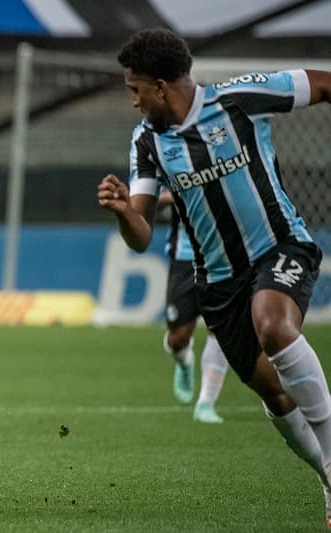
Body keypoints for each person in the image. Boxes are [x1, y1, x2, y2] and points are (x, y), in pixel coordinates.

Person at [98, 28, 331, 526]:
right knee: (273, 391)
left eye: (135, 89)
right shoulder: (146, 142)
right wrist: (123, 211)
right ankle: (327, 477)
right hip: (217, 280)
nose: (133, 101)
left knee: (273, 323)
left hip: (280, 246)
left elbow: (323, 83)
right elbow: (140, 233)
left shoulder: (241, 99)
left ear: (161, 86)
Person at [159, 192, 229, 423]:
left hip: (222, 255)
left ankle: (206, 403)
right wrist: (171, 196)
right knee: (178, 337)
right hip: (185, 258)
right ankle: (184, 360)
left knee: (220, 327)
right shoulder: (170, 160)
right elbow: (147, 202)